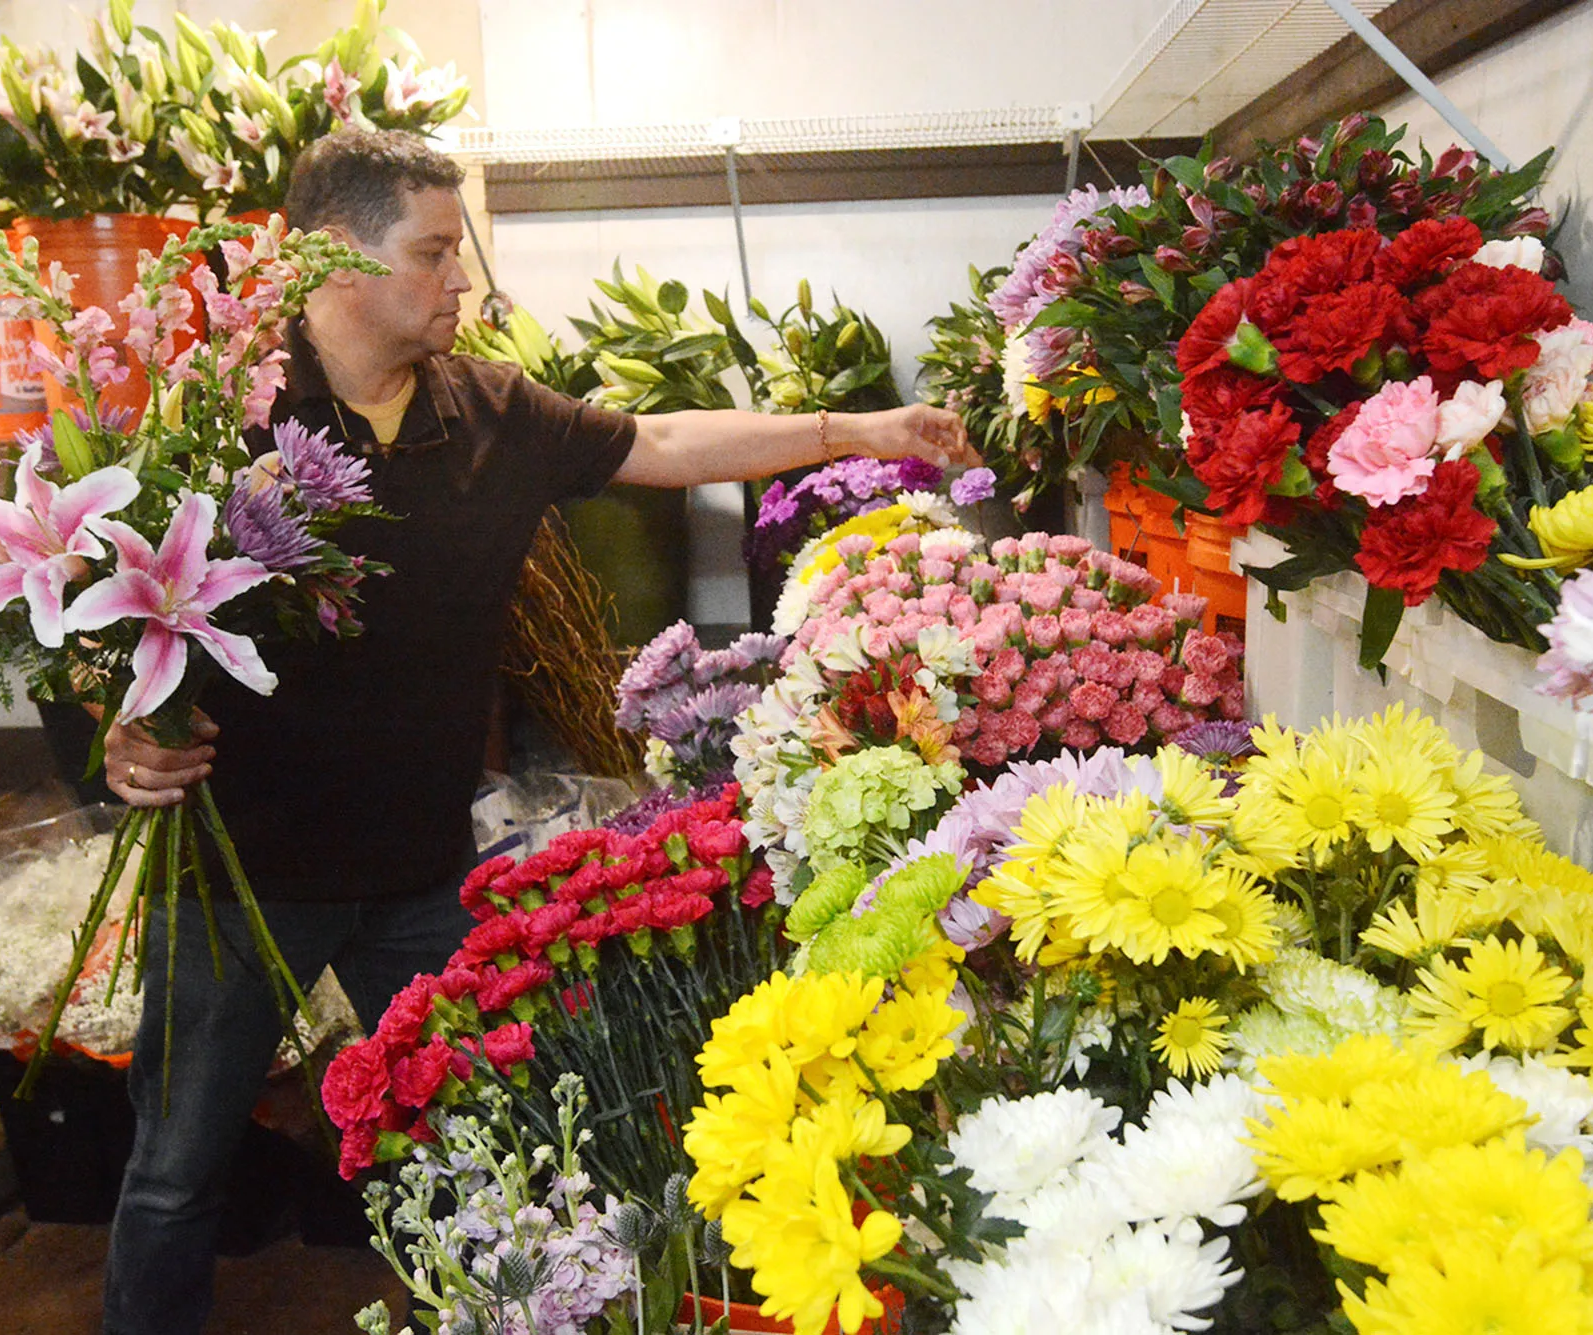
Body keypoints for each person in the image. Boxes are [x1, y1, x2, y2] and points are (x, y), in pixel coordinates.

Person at [96, 127, 976, 1335]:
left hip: (417, 872)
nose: (463, 282)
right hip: (241, 879)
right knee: (174, 1177)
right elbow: (112, 617)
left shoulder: (488, 410)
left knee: (482, 1158)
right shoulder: (219, 425)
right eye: (434, 253)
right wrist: (124, 734)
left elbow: (659, 444)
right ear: (326, 264)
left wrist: (861, 431)